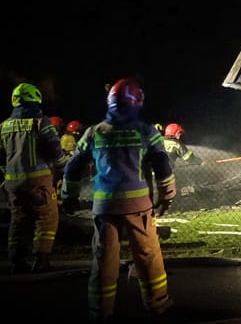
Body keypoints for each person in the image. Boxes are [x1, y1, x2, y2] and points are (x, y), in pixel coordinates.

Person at [61, 78, 177, 322]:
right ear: (137, 102)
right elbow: (162, 163)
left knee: (104, 260)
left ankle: (100, 311)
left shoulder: (95, 132)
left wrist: (68, 196)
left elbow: (73, 167)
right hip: (139, 207)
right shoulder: (146, 130)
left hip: (104, 207)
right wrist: (167, 195)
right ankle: (158, 305)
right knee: (148, 257)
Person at [0, 83, 69, 274]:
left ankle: (16, 261)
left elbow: (0, 157)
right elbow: (55, 150)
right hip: (37, 181)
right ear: (35, 99)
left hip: (12, 183)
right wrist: (63, 168)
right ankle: (41, 259)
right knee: (46, 218)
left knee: (18, 220)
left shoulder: (4, 126)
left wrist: (7, 176)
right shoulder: (41, 121)